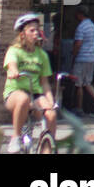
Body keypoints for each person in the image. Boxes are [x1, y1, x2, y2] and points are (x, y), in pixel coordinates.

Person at [5, 13, 57, 153]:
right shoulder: (14, 51)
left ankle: (48, 147)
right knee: (23, 98)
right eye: (31, 30)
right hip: (15, 93)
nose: (36, 33)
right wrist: (14, 71)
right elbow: (12, 64)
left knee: (51, 114)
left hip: (35, 94)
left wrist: (50, 101)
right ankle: (15, 138)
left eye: (37, 30)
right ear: (23, 34)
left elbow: (44, 82)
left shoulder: (42, 55)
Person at [70, 6, 94, 116]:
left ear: (80, 14)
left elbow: (78, 43)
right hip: (91, 57)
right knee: (87, 82)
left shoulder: (81, 27)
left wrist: (73, 54)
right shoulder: (92, 25)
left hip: (82, 57)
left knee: (78, 84)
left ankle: (79, 108)